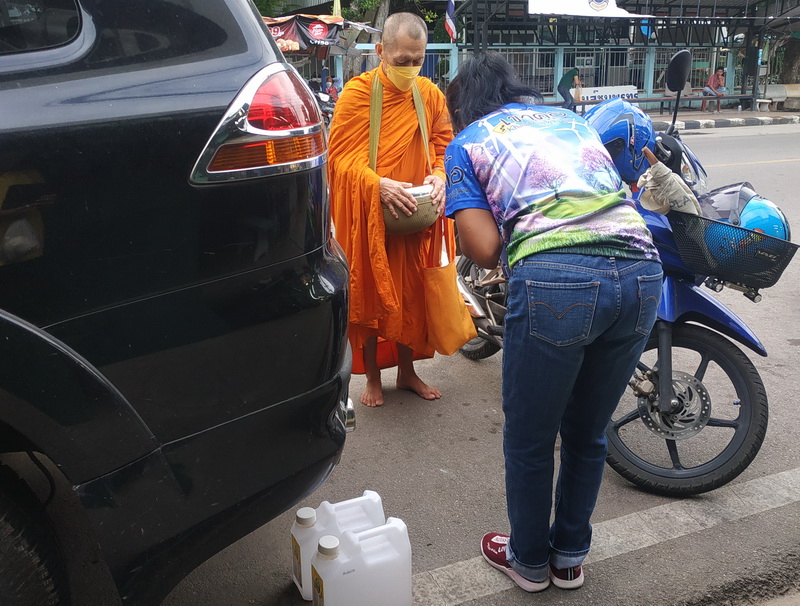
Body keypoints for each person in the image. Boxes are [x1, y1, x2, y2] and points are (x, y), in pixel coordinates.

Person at [444, 52, 662, 592]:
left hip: (556, 279)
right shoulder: (571, 121)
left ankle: (528, 562)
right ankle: (568, 559)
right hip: (641, 274)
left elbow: (484, 251)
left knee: (530, 437)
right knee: (587, 433)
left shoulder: (467, 142)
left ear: (462, 107)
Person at [327, 12, 457, 407]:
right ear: (381, 51)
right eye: (402, 60)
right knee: (369, 295)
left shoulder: (429, 95)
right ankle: (372, 379)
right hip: (371, 215)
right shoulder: (358, 94)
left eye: (417, 60)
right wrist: (376, 185)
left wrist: (439, 176)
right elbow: (338, 159)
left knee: (410, 295)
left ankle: (407, 372)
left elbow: (444, 145)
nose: (410, 68)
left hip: (415, 214)